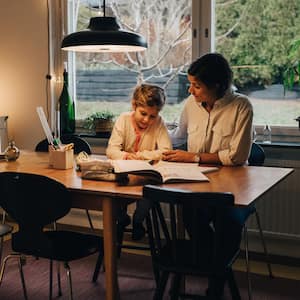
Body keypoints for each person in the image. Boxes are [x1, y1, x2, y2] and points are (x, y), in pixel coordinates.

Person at [163, 52, 253, 298]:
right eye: (190, 84)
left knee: (229, 222)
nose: (191, 91)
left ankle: (216, 280)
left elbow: (237, 156)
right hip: (198, 183)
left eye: (197, 86)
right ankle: (216, 269)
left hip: (234, 187)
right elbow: (179, 137)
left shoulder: (241, 106)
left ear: (218, 85)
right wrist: (152, 132)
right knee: (190, 215)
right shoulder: (191, 104)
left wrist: (193, 158)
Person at [106, 83, 172, 240]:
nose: (147, 120)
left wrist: (142, 155)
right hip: (124, 174)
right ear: (134, 105)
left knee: (148, 192)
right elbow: (111, 150)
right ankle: (122, 219)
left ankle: (138, 221)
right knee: (111, 193)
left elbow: (166, 151)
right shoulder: (123, 119)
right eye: (143, 113)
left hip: (145, 176)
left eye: (152, 116)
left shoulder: (158, 123)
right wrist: (127, 156)